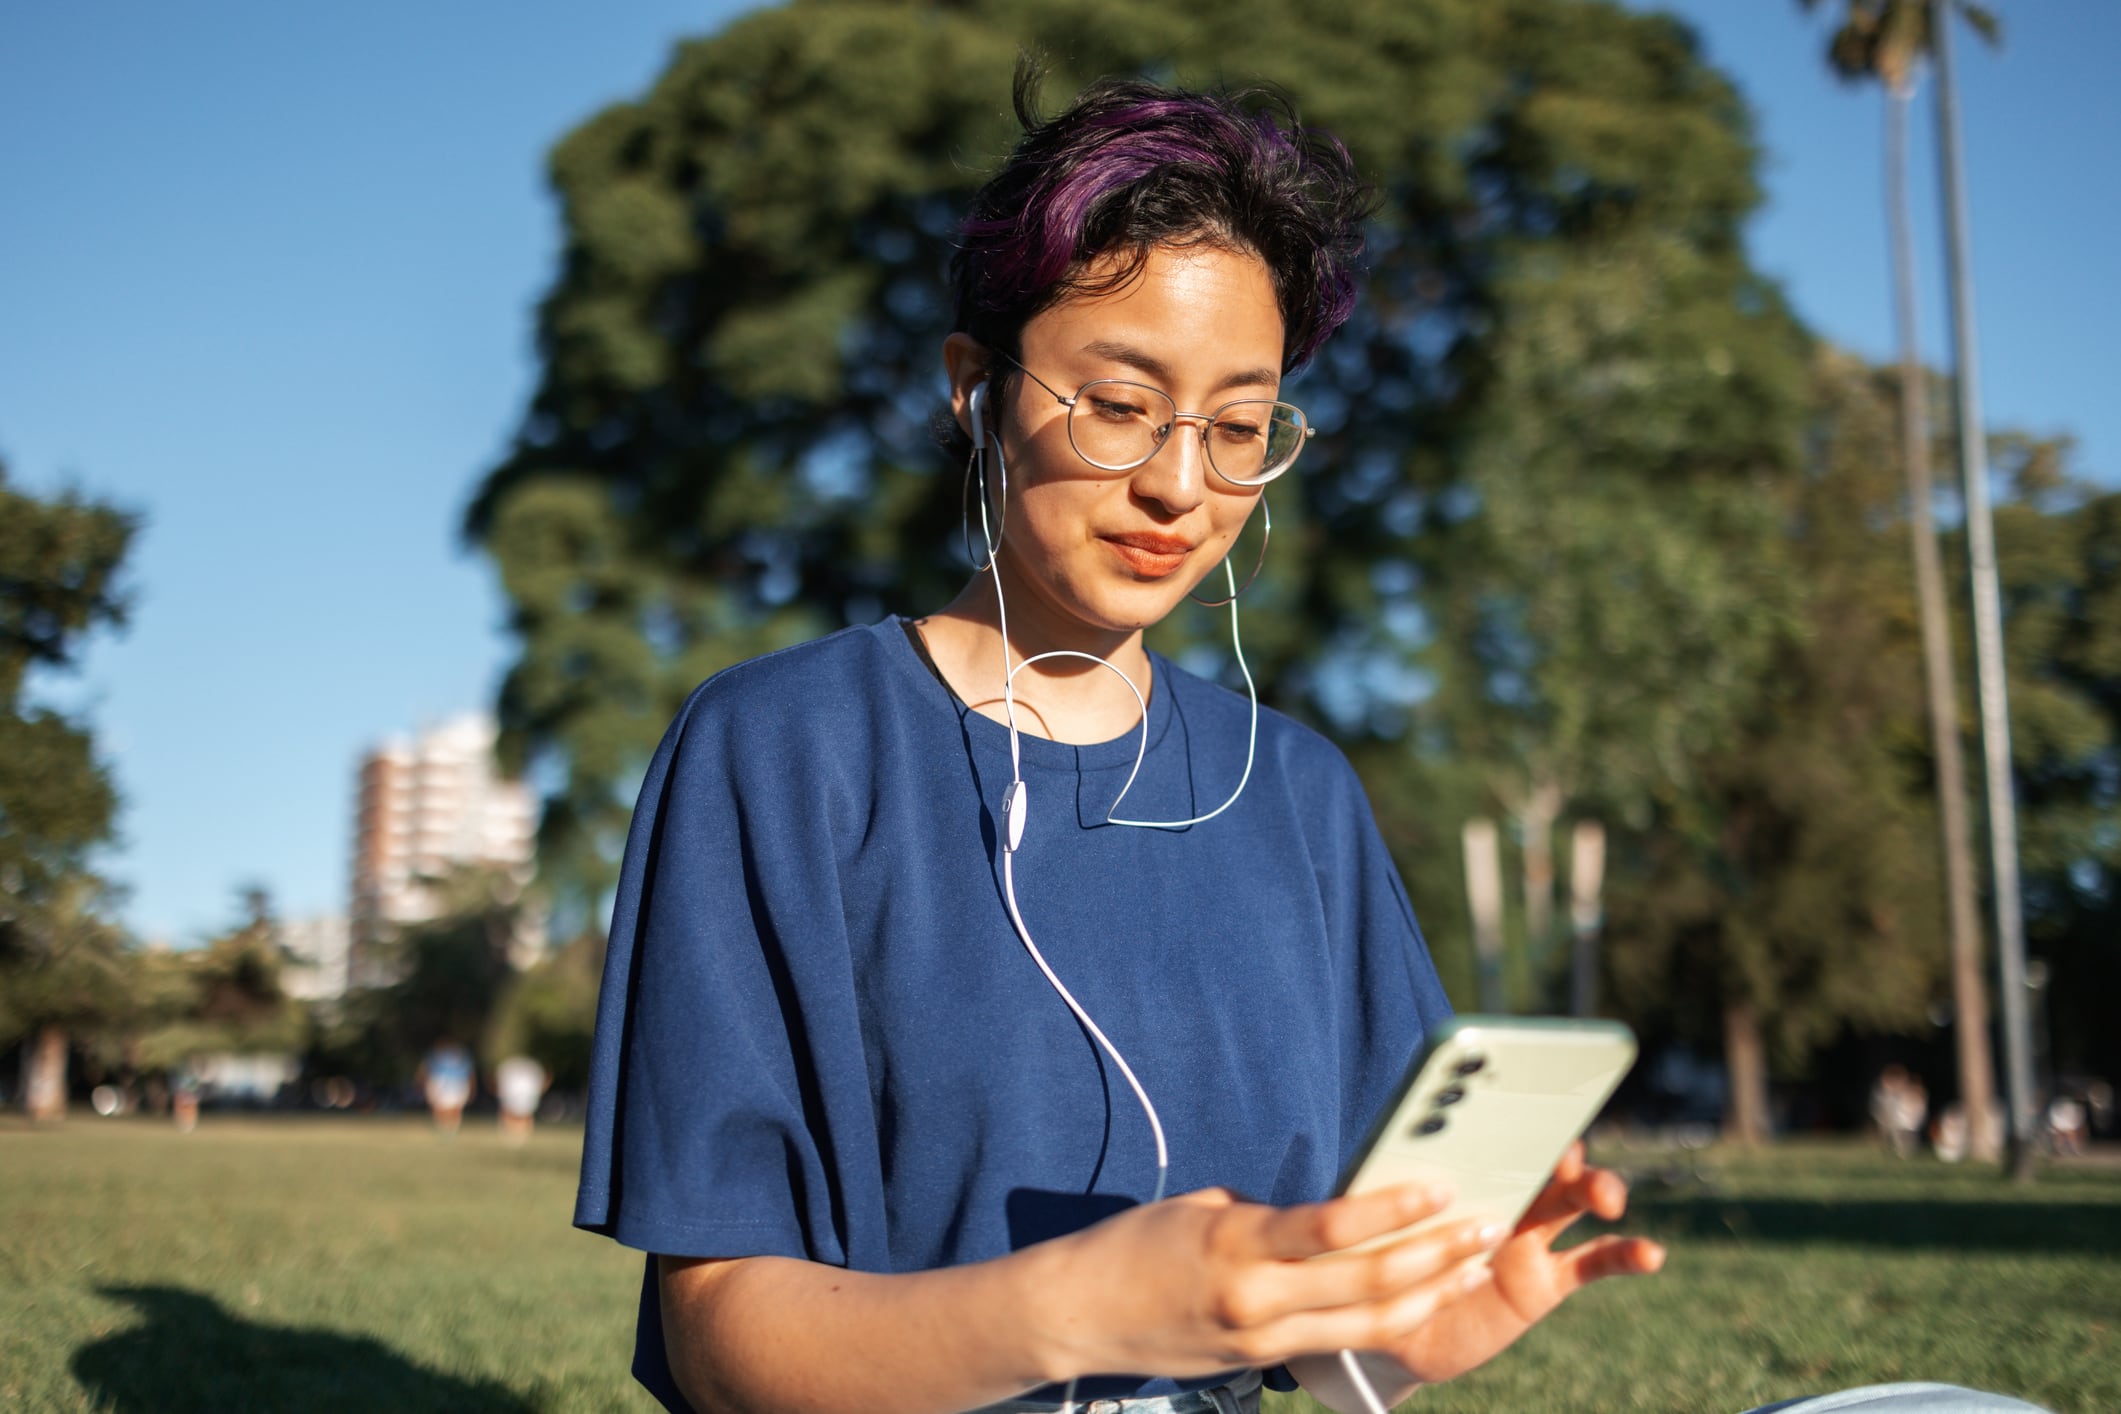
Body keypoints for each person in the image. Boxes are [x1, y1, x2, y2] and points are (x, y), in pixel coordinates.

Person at [574, 70, 2050, 1414]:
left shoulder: (1296, 794)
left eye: (1237, 425)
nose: (1177, 484)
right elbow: (722, 1341)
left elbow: (1308, 1334)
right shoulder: (781, 749)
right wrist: (1071, 1303)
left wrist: (1411, 1331)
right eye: (1117, 403)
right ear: (975, 388)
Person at [419, 1039, 474, 1135]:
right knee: (441, 1107)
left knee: (452, 1108)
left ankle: (450, 1128)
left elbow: (468, 1074)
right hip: (445, 1084)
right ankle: (444, 1127)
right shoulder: (437, 1058)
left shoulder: (460, 1060)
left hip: (452, 1084)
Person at [495, 1054, 549, 1144]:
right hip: (518, 1095)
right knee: (514, 1113)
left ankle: (521, 1133)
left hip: (522, 1095)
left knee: (523, 1114)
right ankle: (514, 1132)